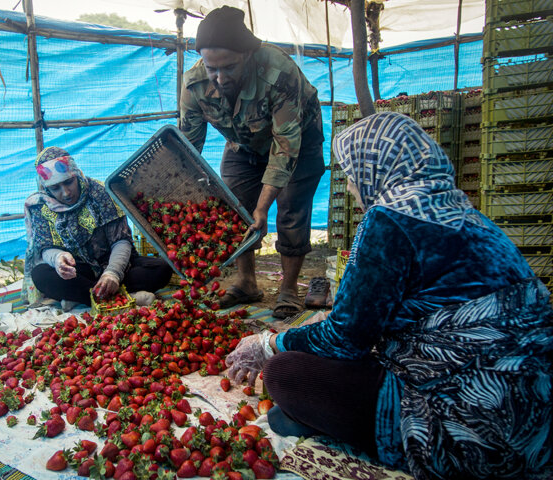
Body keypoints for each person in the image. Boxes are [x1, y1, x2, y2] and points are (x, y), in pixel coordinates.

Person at [224, 113, 553, 479]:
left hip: (469, 427)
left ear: (375, 167)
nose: (349, 186)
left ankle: (377, 431)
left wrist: (269, 344)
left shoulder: (390, 219)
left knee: (284, 372)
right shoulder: (466, 215)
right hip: (533, 414)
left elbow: (345, 340)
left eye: (351, 172)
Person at [179, 6, 326, 318]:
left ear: (247, 54)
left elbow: (286, 147)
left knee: (290, 212)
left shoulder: (278, 72)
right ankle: (247, 283)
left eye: (228, 67)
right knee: (236, 209)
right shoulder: (194, 84)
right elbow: (187, 150)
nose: (219, 78)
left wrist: (263, 208)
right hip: (244, 144)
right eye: (211, 68)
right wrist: (185, 200)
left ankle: (288, 288)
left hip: (297, 144)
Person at [23, 146, 172, 309]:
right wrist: (58, 258)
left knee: (162, 268)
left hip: (114, 264)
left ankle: (81, 296)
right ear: (45, 188)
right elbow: (46, 248)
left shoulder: (101, 193)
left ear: (76, 174)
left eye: (68, 182)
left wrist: (113, 272)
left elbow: (121, 241)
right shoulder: (39, 206)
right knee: (41, 275)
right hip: (79, 271)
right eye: (55, 188)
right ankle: (123, 297)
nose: (65, 193)